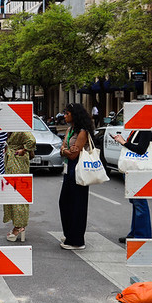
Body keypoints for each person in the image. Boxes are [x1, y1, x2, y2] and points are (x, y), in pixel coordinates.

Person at [58, 103, 95, 250]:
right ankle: (69, 234)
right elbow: (63, 148)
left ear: (75, 115)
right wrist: (66, 150)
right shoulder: (70, 129)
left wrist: (66, 151)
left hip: (79, 169)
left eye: (67, 113)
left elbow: (73, 155)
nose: (65, 115)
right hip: (69, 170)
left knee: (77, 205)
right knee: (64, 202)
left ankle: (77, 240)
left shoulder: (82, 132)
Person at [113, 125, 152, 243]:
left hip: (137, 171)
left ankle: (142, 235)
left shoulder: (145, 128)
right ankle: (135, 233)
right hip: (133, 170)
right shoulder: (139, 128)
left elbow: (141, 149)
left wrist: (123, 142)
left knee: (140, 203)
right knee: (136, 202)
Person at [3, 130, 36, 242]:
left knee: (18, 195)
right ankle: (18, 225)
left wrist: (24, 150)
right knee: (13, 195)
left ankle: (19, 227)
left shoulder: (20, 128)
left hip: (17, 163)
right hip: (13, 161)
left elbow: (32, 140)